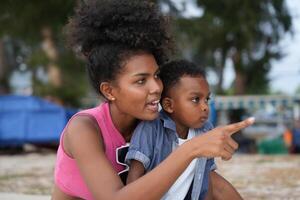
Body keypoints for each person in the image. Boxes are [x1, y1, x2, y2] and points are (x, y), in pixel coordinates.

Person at [51, 0, 255, 199]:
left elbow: (210, 183)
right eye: (141, 81)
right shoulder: (84, 128)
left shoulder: (158, 124)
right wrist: (192, 149)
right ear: (109, 90)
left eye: (157, 75)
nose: (156, 87)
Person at [125, 60, 242, 200]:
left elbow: (206, 181)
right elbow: (134, 179)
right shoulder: (150, 129)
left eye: (207, 99)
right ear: (169, 105)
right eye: (195, 99)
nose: (205, 106)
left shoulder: (206, 131)